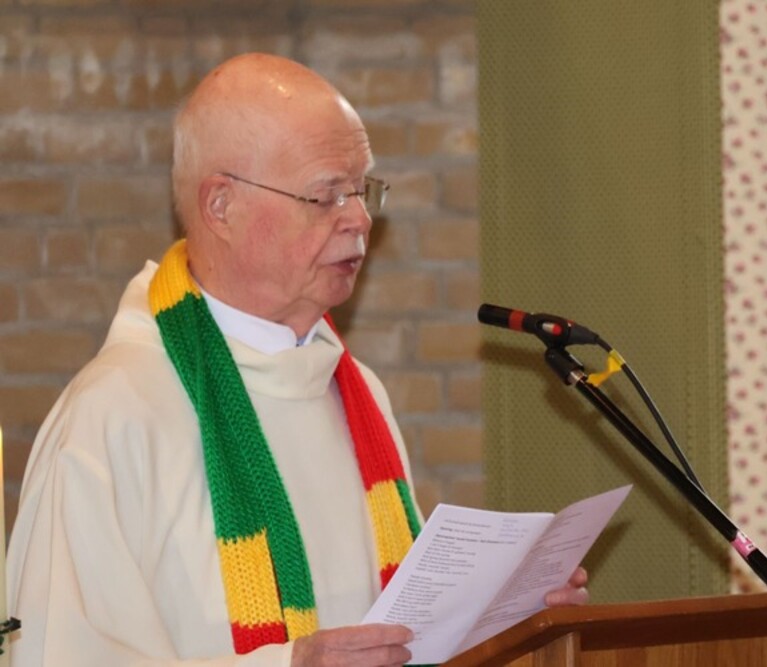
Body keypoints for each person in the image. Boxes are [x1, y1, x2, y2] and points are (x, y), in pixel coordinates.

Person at [5, 53, 587, 667]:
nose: (359, 218)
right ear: (221, 207)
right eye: (325, 195)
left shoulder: (355, 393)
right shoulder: (113, 414)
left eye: (361, 190)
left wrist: (505, 622)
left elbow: (402, 636)